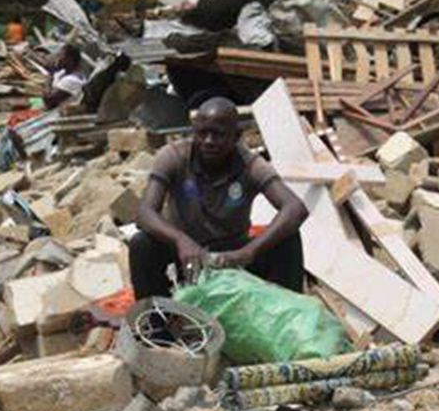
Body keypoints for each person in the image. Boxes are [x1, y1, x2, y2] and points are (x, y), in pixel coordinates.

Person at [130, 97, 309, 300]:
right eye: (202, 133)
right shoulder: (174, 156)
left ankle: (287, 312)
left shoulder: (250, 165)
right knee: (141, 244)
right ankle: (155, 317)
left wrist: (249, 252)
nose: (208, 141)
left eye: (218, 134)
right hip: (184, 257)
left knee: (288, 239)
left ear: (236, 136)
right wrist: (181, 241)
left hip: (231, 257)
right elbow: (144, 213)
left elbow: (295, 208)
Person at [42, 44, 86, 110]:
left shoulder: (71, 80)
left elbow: (49, 102)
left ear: (69, 60)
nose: (57, 59)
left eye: (60, 56)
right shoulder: (63, 72)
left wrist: (49, 76)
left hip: (56, 113)